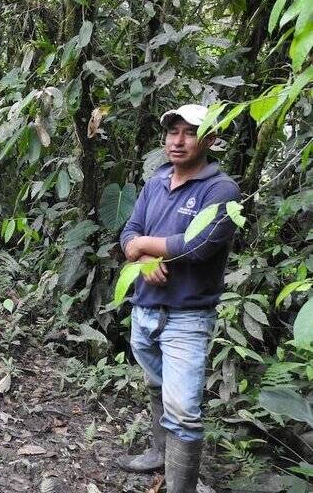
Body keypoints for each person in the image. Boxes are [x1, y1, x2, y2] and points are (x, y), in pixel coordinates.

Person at [118, 104, 240, 492]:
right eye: (173, 132)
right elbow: (128, 232)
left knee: (184, 411)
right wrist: (142, 250)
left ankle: (181, 487)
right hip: (146, 308)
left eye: (190, 132)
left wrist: (143, 247)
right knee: (156, 387)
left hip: (188, 315)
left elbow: (199, 245)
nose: (178, 140)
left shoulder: (221, 190)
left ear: (210, 140)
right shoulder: (154, 183)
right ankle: (159, 452)